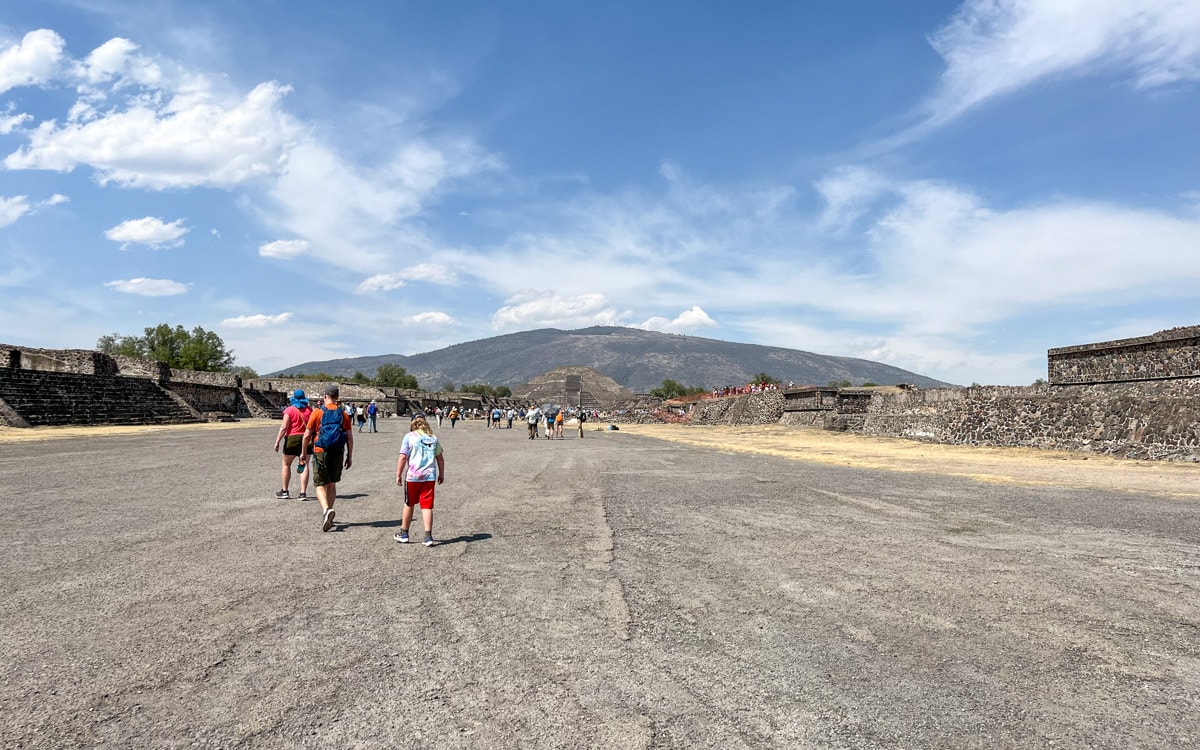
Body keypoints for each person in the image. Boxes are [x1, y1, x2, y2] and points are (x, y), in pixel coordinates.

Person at [300, 384, 353, 532]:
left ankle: (326, 510)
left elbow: (307, 435)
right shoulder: (343, 414)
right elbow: (349, 436)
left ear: (325, 396)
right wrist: (350, 455)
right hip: (338, 451)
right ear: (337, 397)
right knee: (331, 484)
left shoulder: (317, 412)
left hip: (320, 450)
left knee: (319, 484)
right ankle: (329, 512)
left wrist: (303, 452)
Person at [394, 414, 445, 547]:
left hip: (414, 476)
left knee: (409, 503)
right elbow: (440, 457)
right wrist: (441, 474)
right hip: (429, 476)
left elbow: (403, 457)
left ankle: (404, 533)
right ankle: (428, 536)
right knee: (427, 506)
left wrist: (398, 474)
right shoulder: (433, 438)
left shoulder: (409, 437)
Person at [272, 389, 312, 500]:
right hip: (306, 439)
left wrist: (277, 441)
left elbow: (284, 427)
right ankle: (303, 493)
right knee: (304, 464)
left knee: (286, 464)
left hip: (292, 438)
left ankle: (285, 491)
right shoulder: (309, 410)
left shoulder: (289, 410)